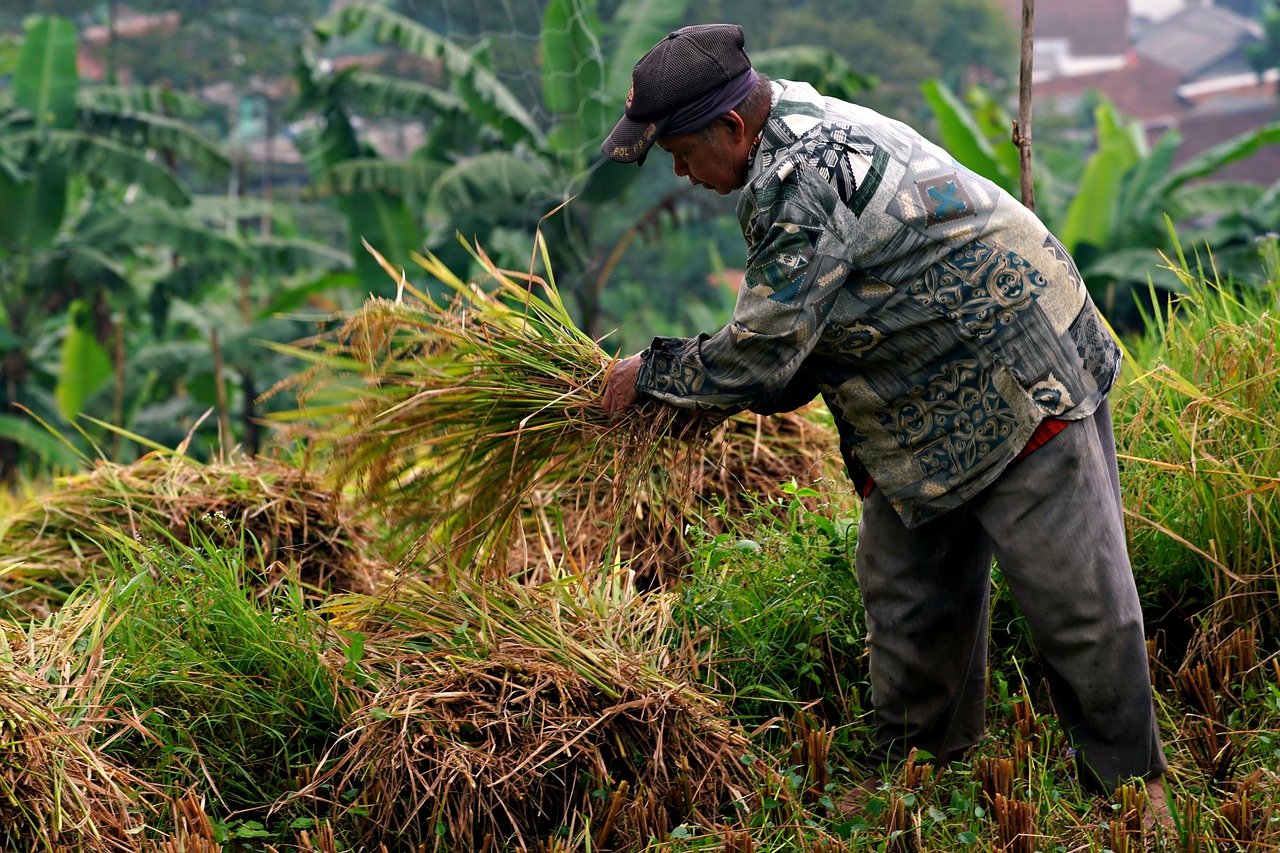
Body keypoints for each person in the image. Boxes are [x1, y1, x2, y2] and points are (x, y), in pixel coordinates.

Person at [598, 23, 1171, 817]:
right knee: (906, 596)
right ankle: (923, 790)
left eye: (682, 152)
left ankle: (1135, 794)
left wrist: (650, 376)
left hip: (1015, 365)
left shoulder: (799, 178)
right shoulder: (776, 126)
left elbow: (764, 354)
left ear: (731, 127)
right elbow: (794, 354)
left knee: (1078, 604)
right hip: (917, 401)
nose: (682, 172)